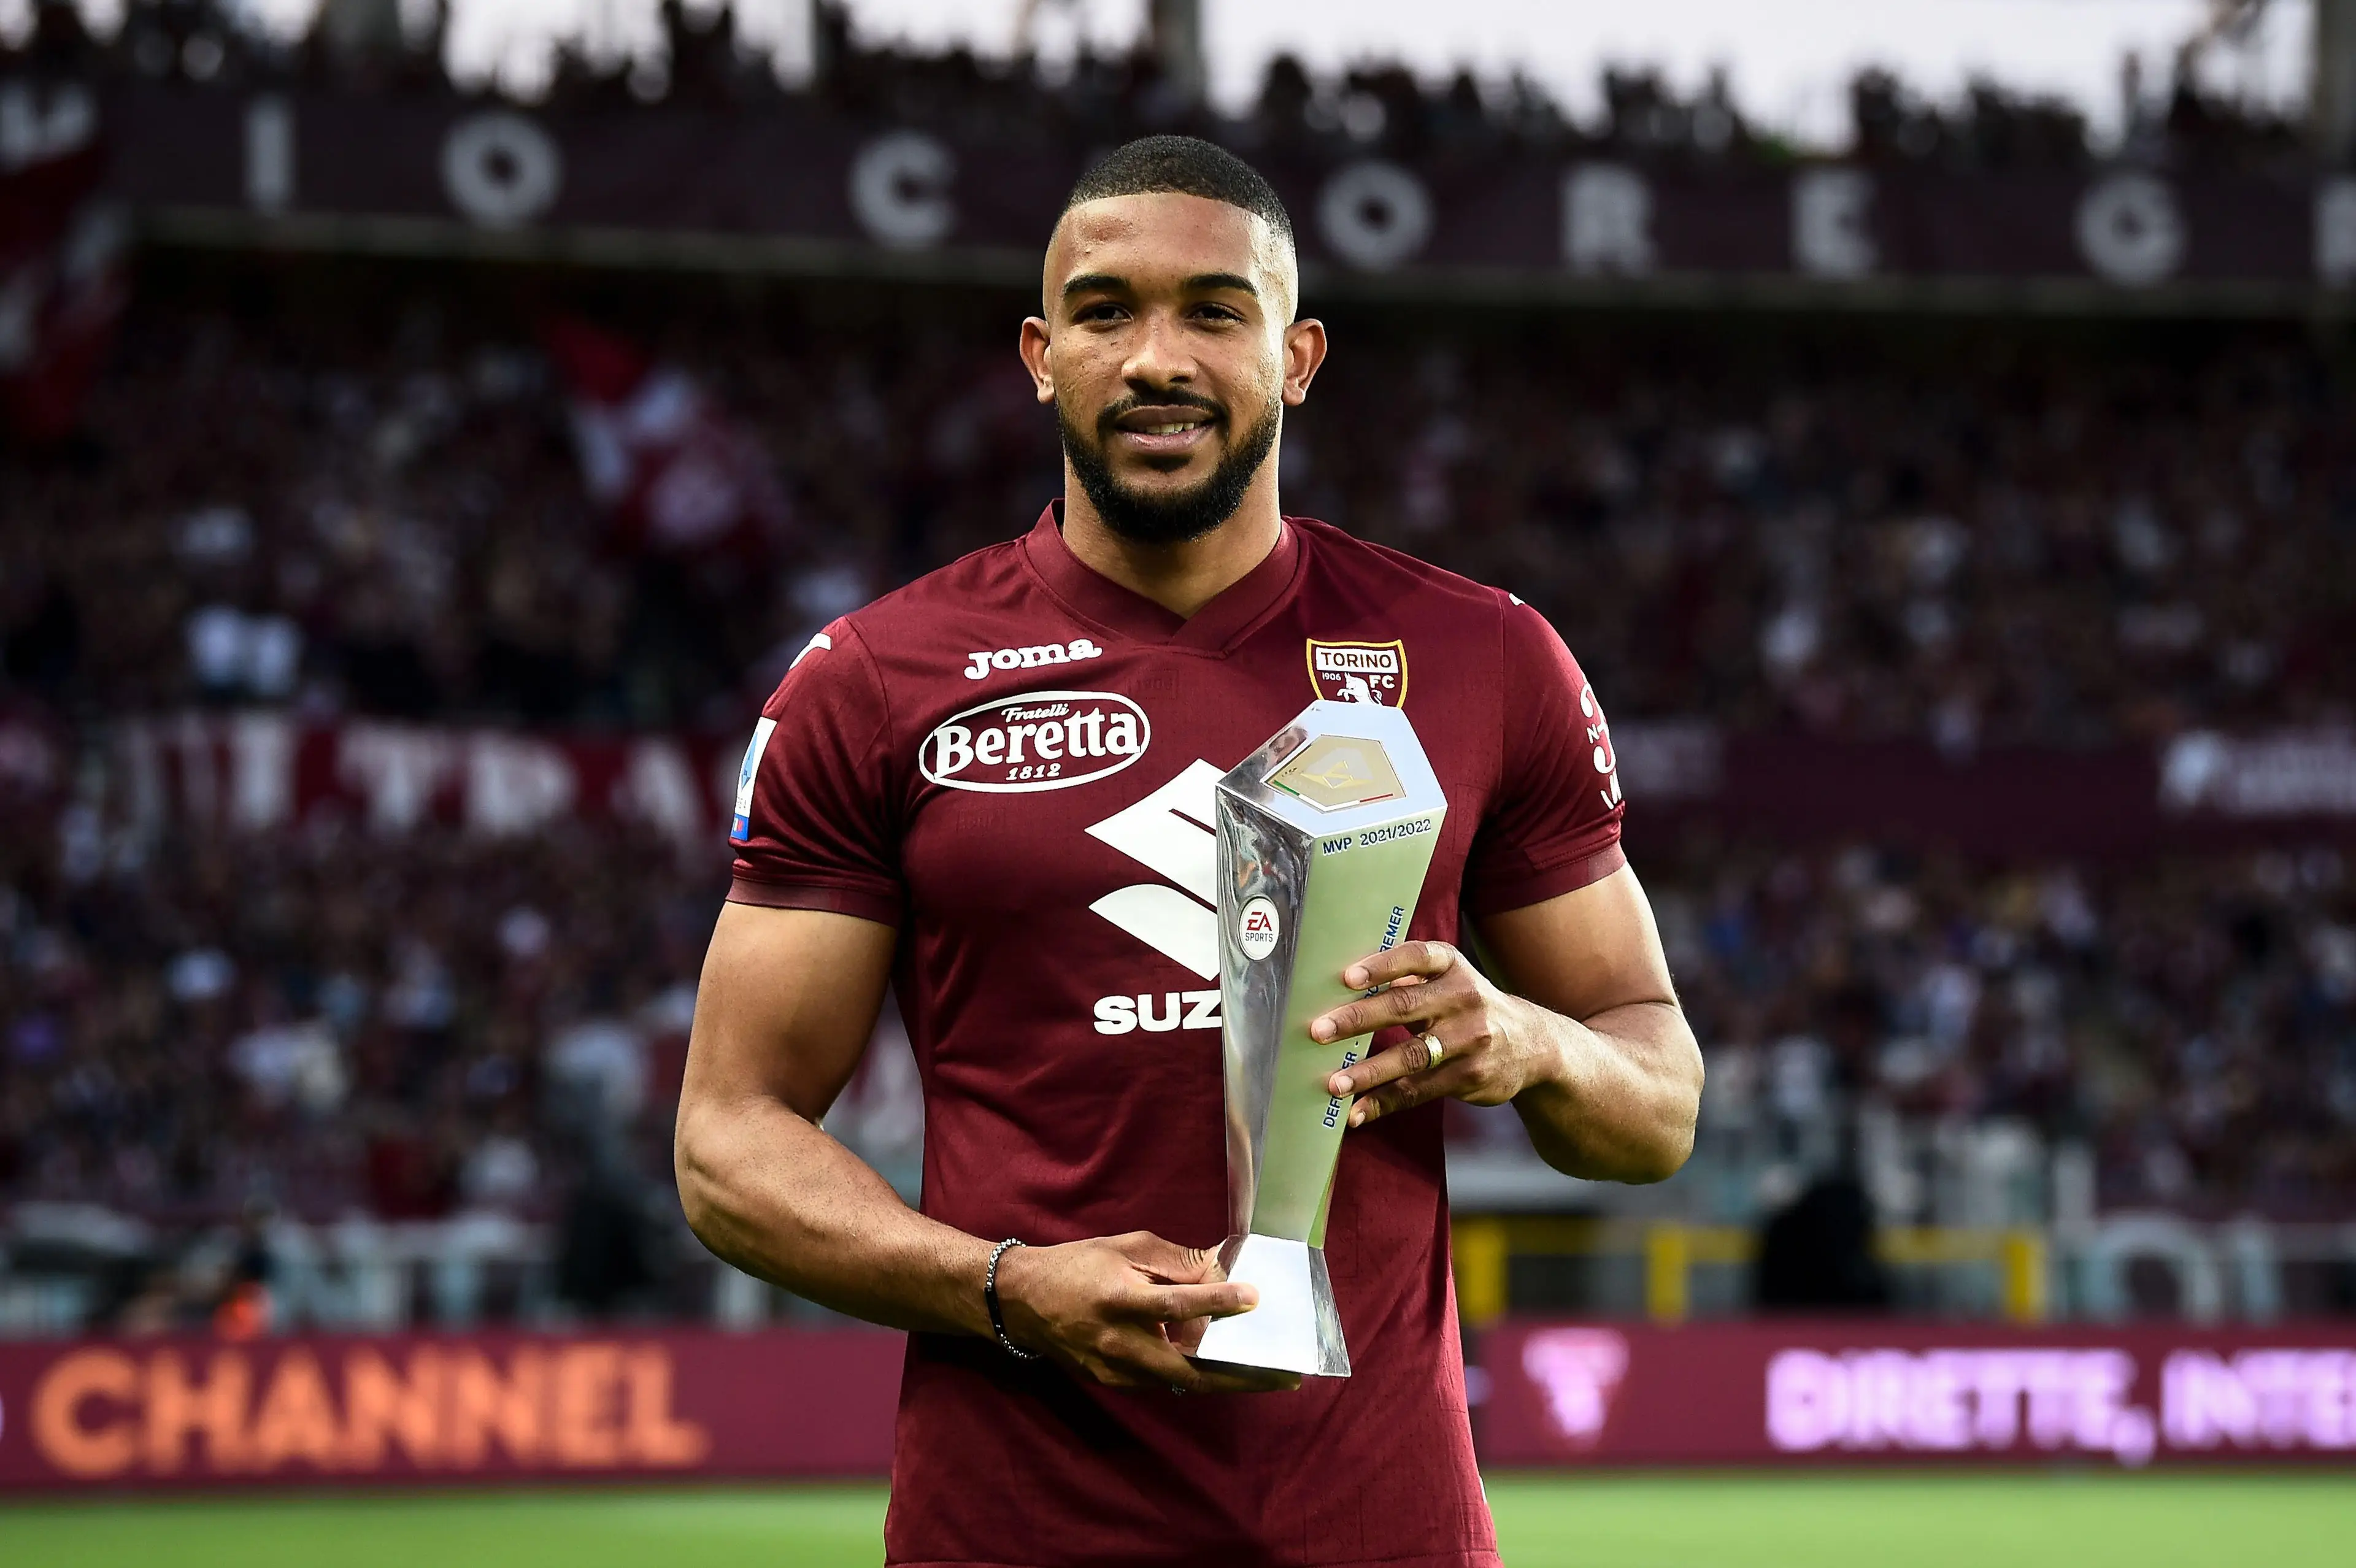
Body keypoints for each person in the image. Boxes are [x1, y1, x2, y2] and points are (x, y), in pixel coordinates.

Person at [676, 135, 1703, 1568]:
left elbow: (1656, 1105)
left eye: (1216, 311)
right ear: (1041, 357)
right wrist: (1005, 1286)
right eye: (1105, 312)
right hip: (1014, 1528)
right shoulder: (875, 683)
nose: (1158, 358)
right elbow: (728, 1144)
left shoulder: (1483, 658)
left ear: (1298, 358)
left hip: (1381, 1526)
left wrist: (1530, 1044)